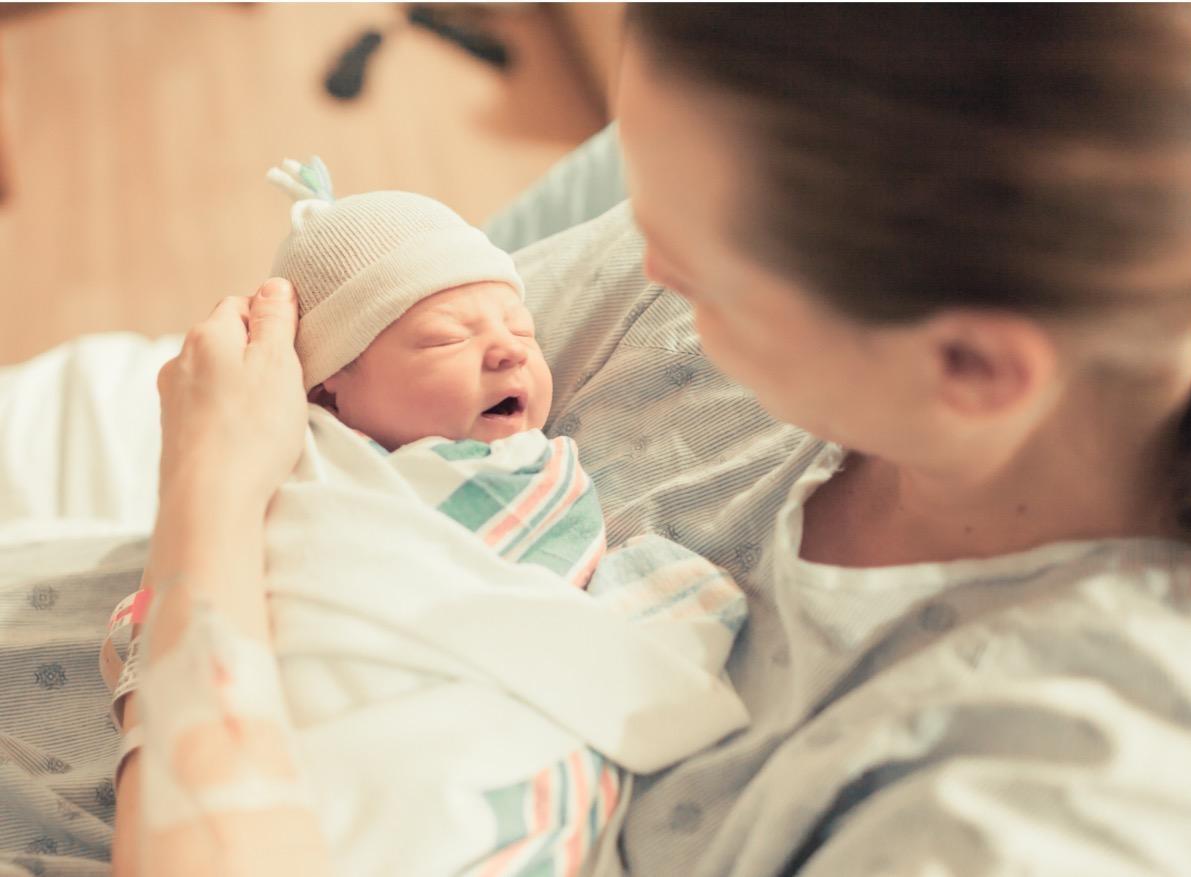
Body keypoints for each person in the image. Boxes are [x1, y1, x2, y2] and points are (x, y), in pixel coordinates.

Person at [114, 5, 1191, 876]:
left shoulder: (1023, 795)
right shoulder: (743, 240)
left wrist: (206, 493)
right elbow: (357, 387)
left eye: (695, 264)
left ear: (969, 369)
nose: (646, 264)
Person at [104, 157, 748, 876]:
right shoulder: (312, 474)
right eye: (446, 338)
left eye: (523, 329)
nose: (508, 347)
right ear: (329, 394)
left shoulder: (528, 476)